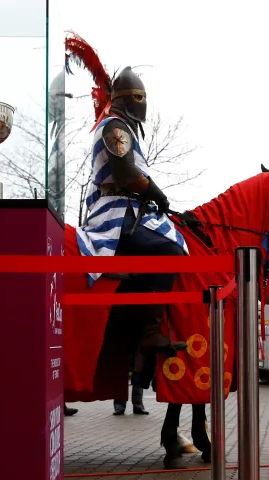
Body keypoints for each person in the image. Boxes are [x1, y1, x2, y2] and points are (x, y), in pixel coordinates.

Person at [66, 34, 189, 358]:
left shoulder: (122, 127)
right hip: (115, 211)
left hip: (133, 208)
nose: (143, 103)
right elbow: (125, 176)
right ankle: (150, 332)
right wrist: (156, 192)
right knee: (170, 250)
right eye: (140, 97)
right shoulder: (114, 127)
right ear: (130, 98)